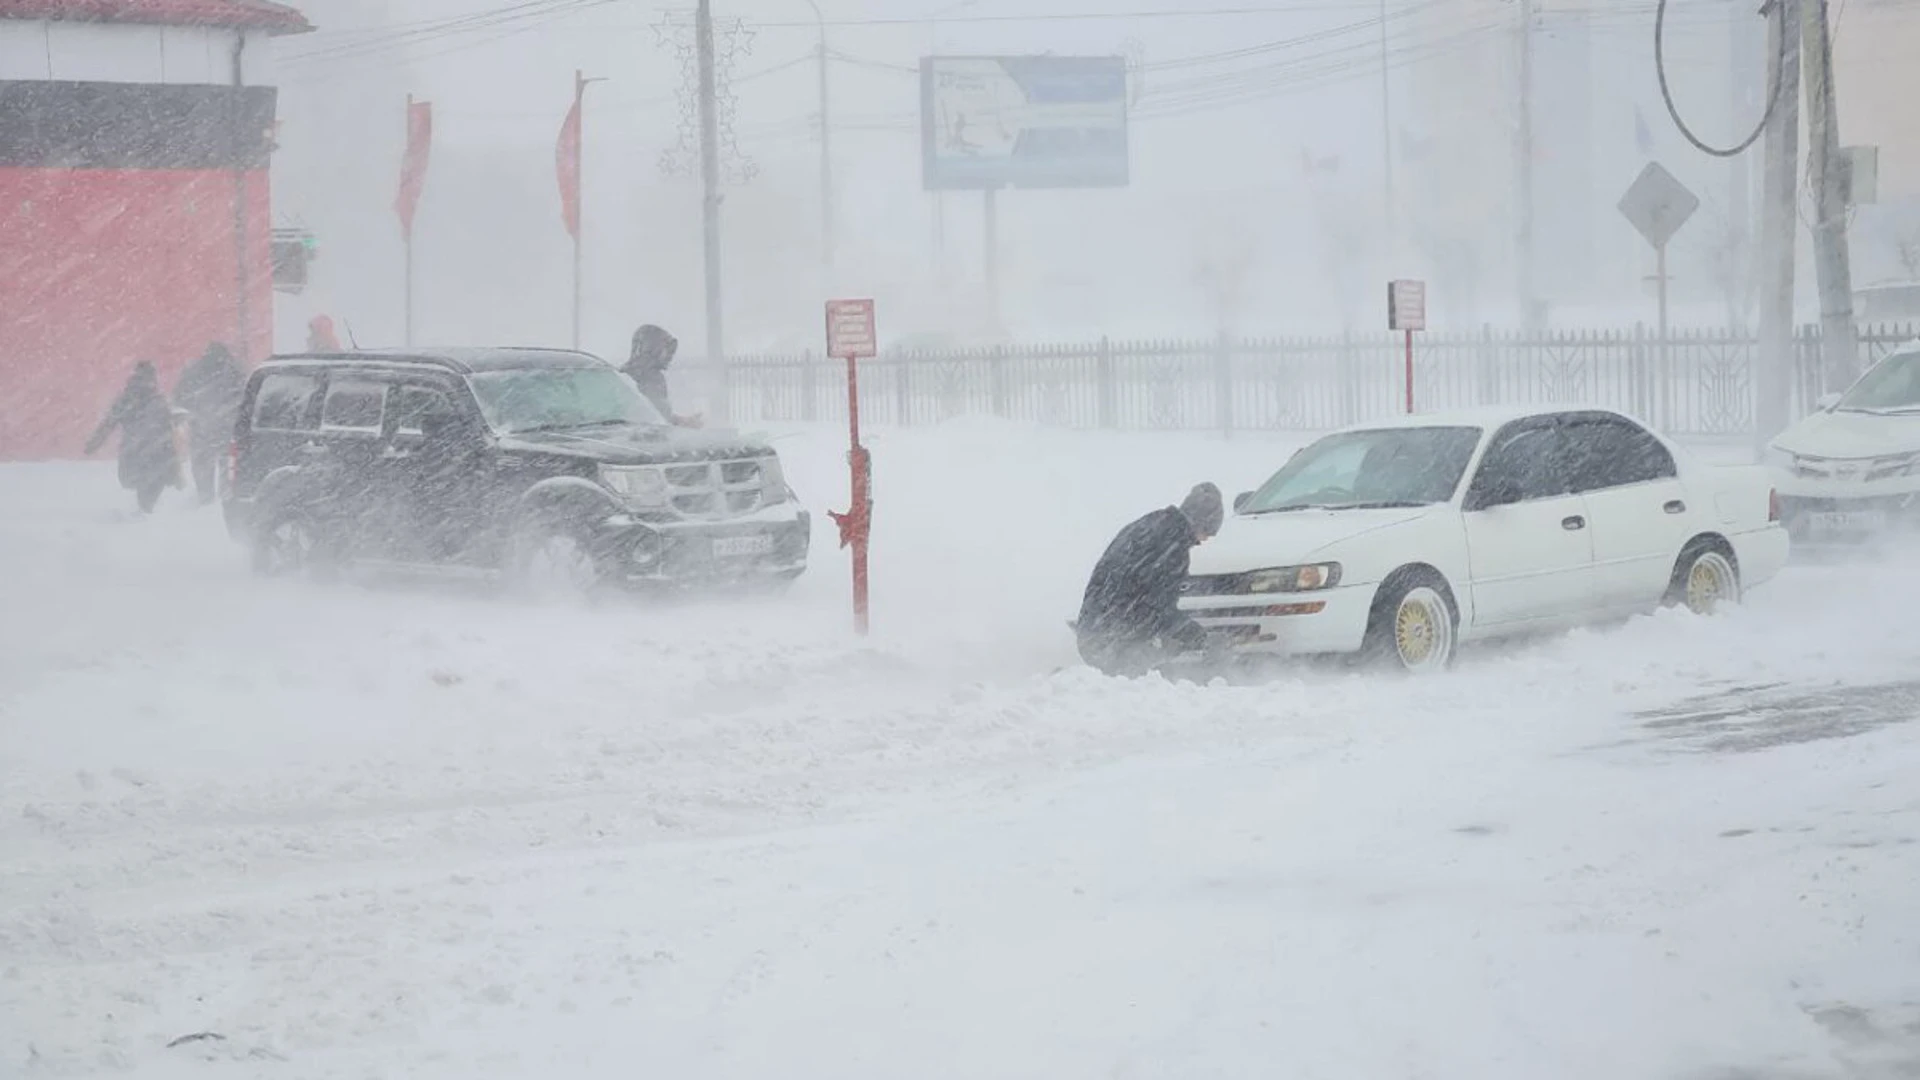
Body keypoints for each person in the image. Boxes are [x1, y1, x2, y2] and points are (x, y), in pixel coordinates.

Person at [1074, 482, 1226, 676]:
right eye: (1207, 533)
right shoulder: (1172, 547)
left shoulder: (1150, 525)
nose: (1202, 541)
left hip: (1092, 630)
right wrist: (1201, 639)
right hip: (1116, 641)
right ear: (1200, 523)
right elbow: (1158, 609)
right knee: (1160, 672)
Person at [85, 361, 180, 514]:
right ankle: (145, 515)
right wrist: (174, 463)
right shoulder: (158, 400)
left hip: (134, 451)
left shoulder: (126, 399)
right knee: (152, 487)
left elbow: (109, 423)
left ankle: (143, 514)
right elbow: (169, 431)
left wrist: (94, 443)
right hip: (157, 453)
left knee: (143, 485)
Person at [172, 342, 246, 504]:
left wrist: (192, 412)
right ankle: (225, 496)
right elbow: (245, 397)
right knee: (227, 464)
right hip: (228, 426)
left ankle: (205, 497)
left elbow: (179, 396)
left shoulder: (194, 371)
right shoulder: (235, 371)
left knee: (202, 464)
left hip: (201, 426)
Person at [621, 324, 702, 427]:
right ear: (652, 349)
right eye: (667, 350)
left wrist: (683, 421)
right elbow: (650, 418)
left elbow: (658, 415)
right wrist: (682, 423)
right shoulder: (646, 377)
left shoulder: (623, 374)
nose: (670, 356)